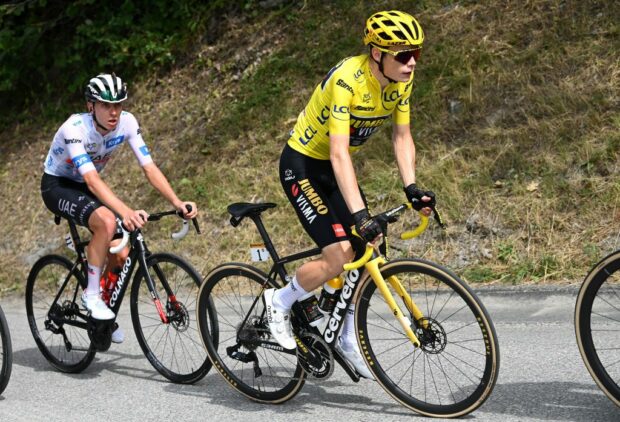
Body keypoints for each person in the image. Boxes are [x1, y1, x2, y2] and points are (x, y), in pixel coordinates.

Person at [264, 10, 435, 379]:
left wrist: (412, 188)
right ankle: (279, 300)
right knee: (341, 254)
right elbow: (339, 152)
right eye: (403, 55)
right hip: (305, 164)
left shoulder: (401, 81)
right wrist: (359, 216)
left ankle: (343, 333)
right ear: (377, 53)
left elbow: (401, 136)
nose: (411, 63)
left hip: (332, 167)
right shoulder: (347, 80)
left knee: (370, 248)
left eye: (416, 54)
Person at [41, 73, 197, 343]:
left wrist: (176, 202)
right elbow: (91, 179)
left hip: (86, 187)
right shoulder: (74, 128)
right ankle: (91, 295)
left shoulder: (127, 122)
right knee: (108, 222)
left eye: (118, 105)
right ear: (91, 106)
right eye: (105, 105)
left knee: (122, 256)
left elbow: (148, 167)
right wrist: (125, 212)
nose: (114, 112)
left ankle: (101, 310)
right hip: (59, 186)